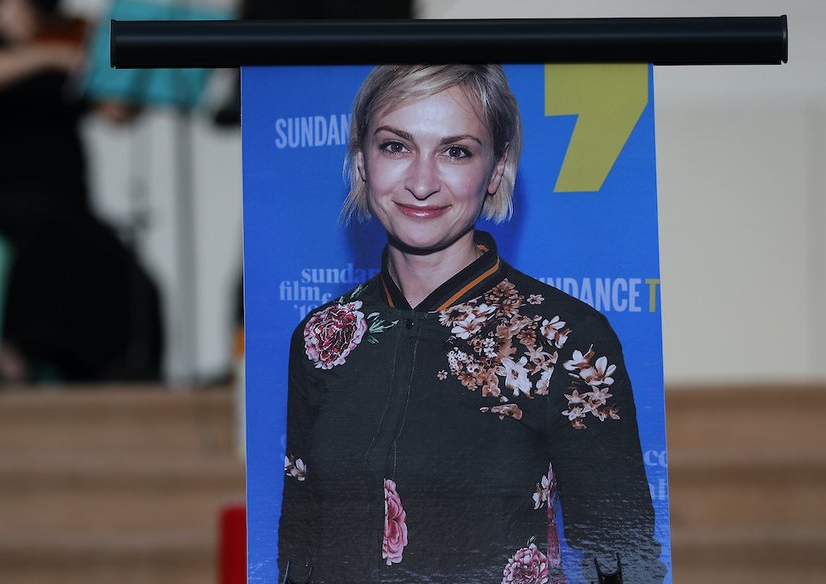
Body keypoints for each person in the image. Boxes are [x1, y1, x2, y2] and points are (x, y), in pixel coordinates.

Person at [278, 65, 666, 583]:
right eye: (396, 146)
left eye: (456, 151)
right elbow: (298, 553)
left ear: (497, 168)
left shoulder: (565, 339)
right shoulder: (322, 340)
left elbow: (622, 562)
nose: (421, 182)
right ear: (361, 161)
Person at [0, 0, 162, 383]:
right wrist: (51, 55)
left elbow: (114, 111)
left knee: (130, 279)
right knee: (43, 236)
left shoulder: (67, 43)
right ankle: (16, 352)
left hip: (66, 208)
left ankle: (109, 370)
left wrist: (120, 73)